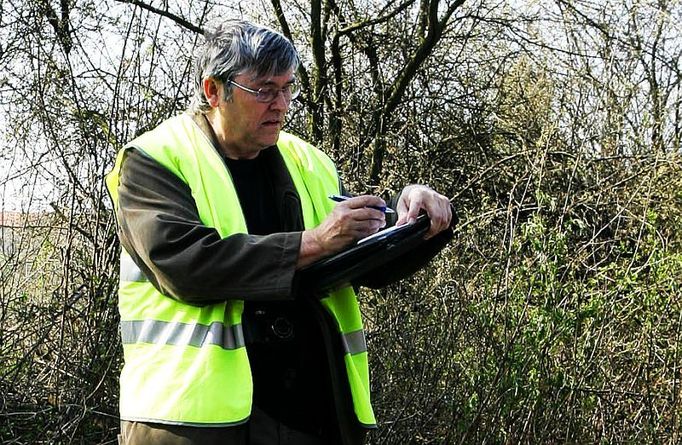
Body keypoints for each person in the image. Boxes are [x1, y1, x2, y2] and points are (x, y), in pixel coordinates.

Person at [106, 19, 453, 445]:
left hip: (310, 414)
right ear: (213, 90)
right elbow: (188, 265)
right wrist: (316, 242)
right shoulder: (155, 159)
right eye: (265, 91)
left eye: (288, 88)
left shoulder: (309, 161)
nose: (282, 104)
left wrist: (417, 222)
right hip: (192, 423)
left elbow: (362, 260)